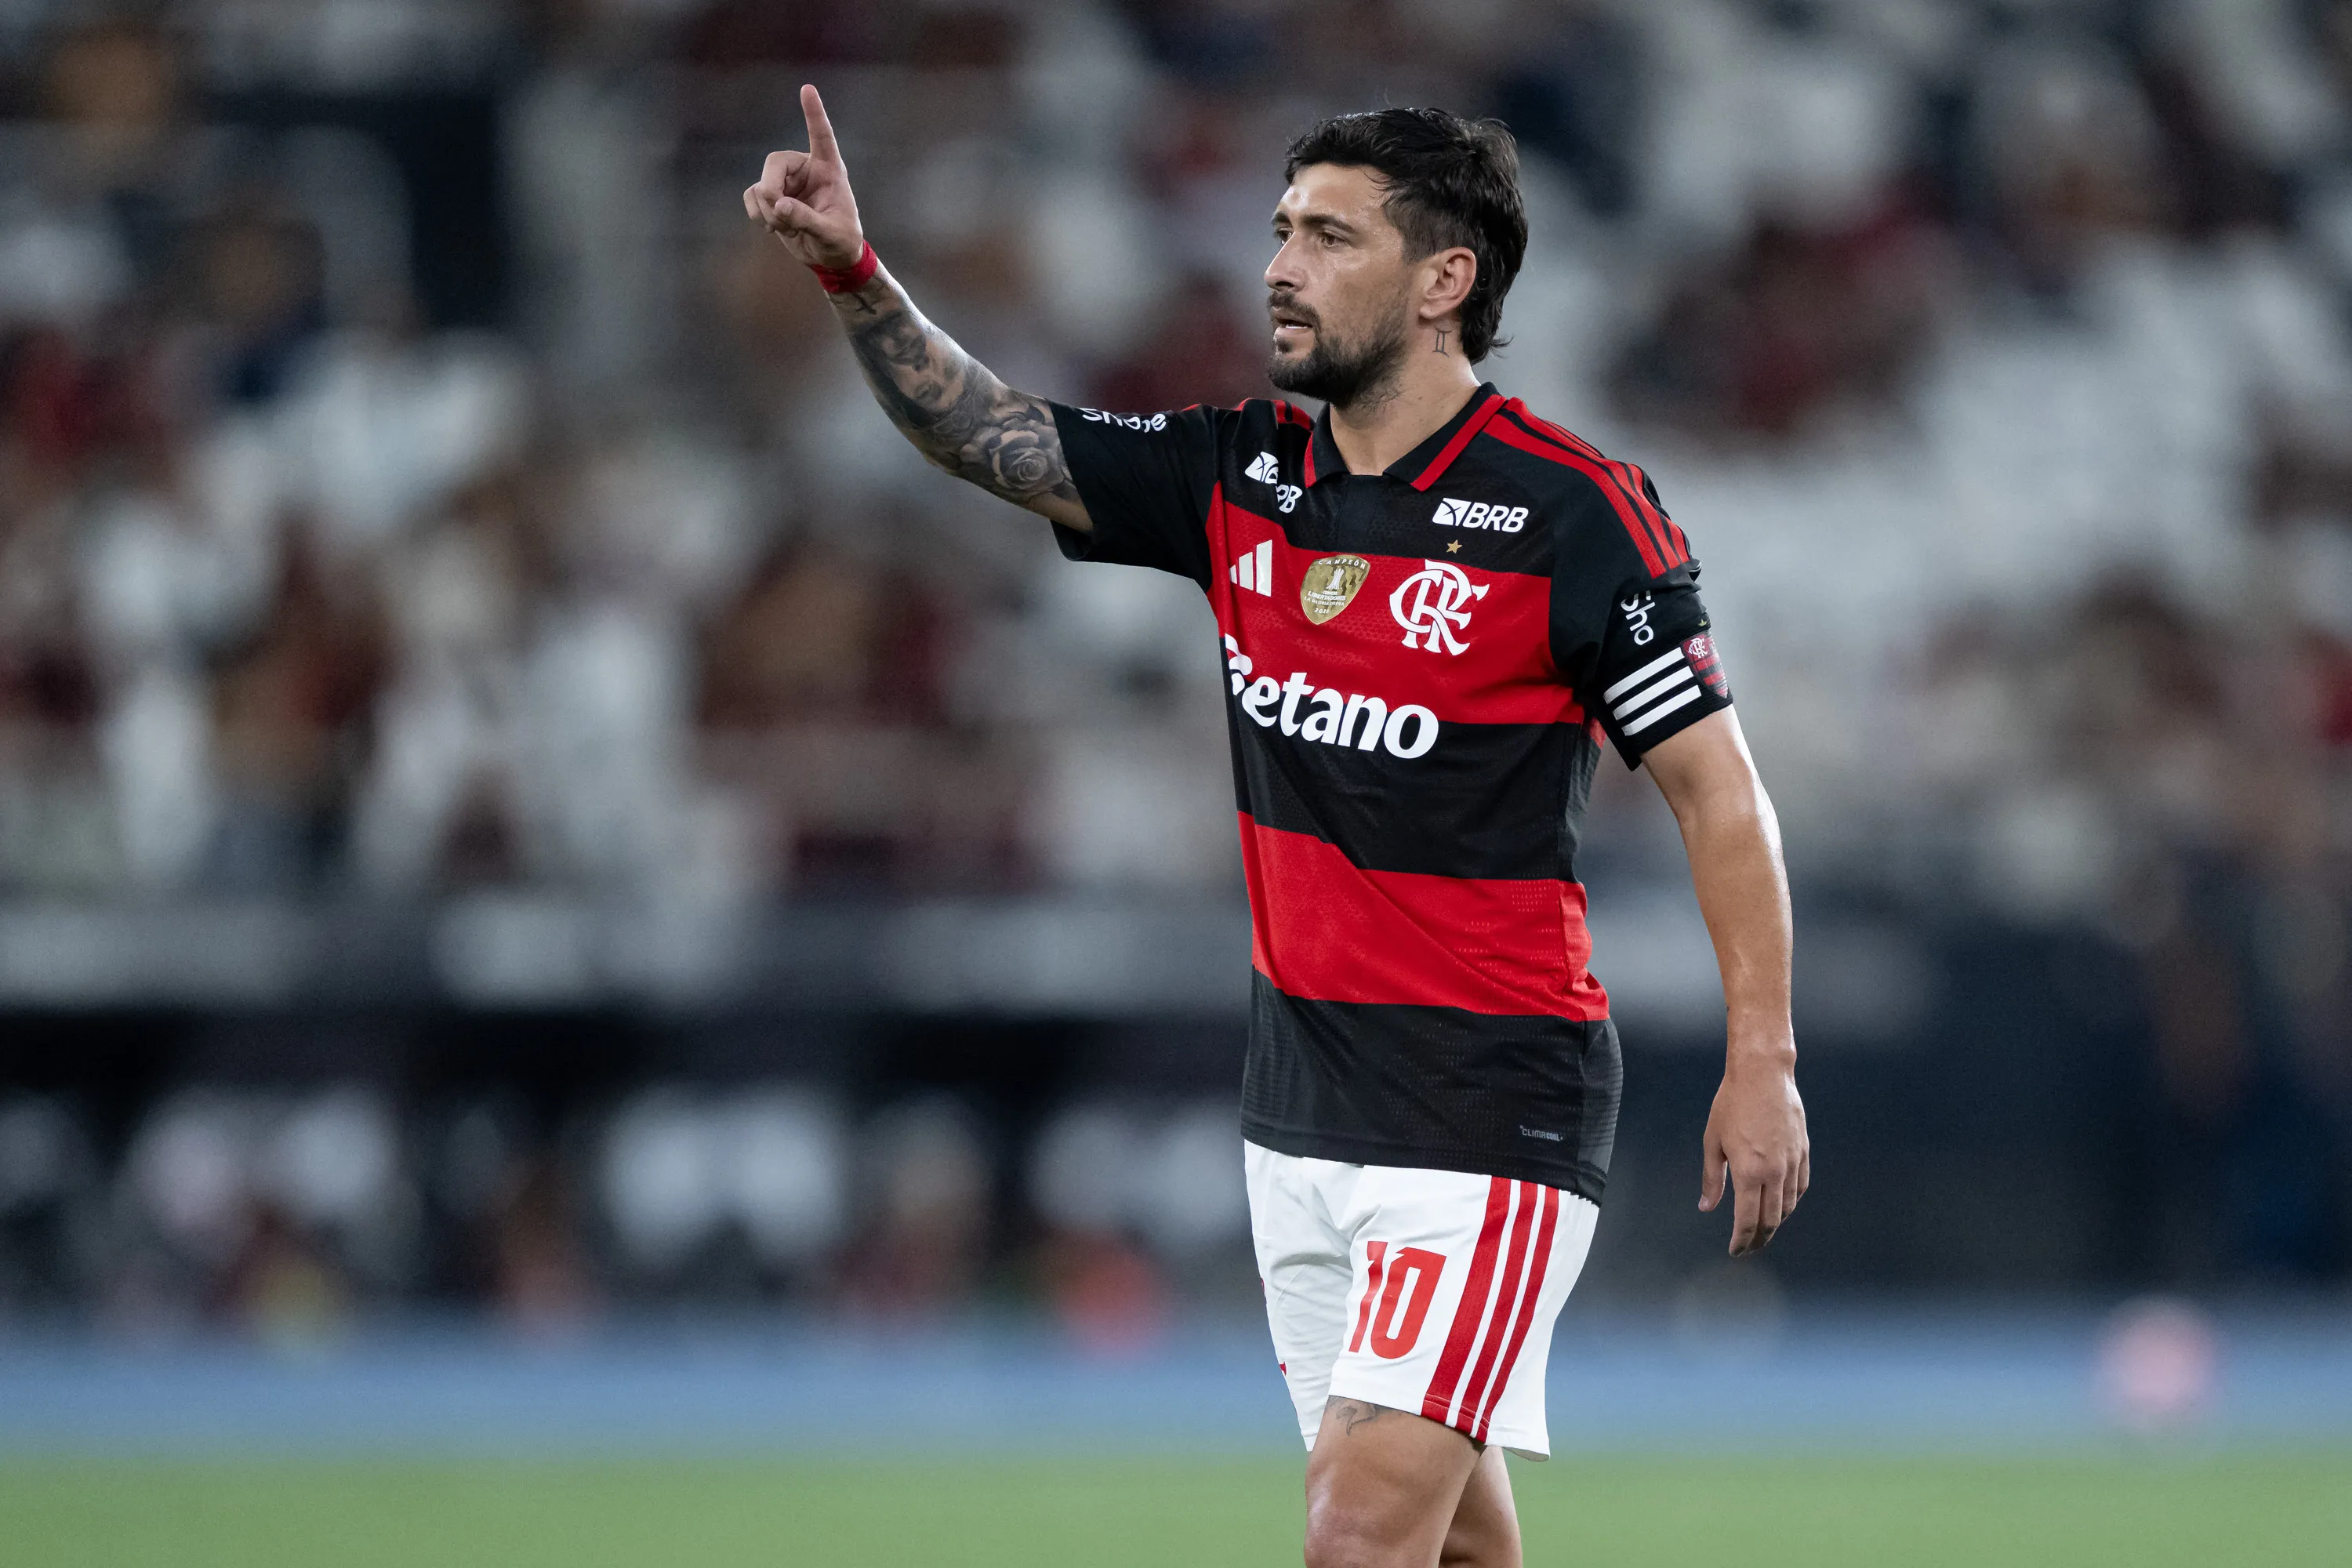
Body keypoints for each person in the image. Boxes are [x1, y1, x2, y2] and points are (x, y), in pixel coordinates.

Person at [748, 87, 1809, 1568]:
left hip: (1487, 1111)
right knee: (1451, 1547)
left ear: (1446, 282)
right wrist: (857, 276)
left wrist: (1762, 1059)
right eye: (1278, 231)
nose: (1279, 266)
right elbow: (992, 437)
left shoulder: (1574, 513)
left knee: (1353, 1538)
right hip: (1300, 1112)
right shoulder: (1242, 473)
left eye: (1327, 235)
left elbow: (1721, 794)